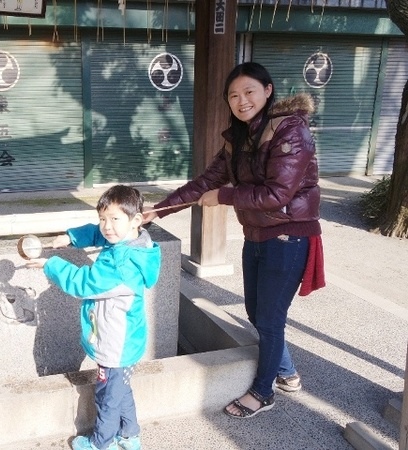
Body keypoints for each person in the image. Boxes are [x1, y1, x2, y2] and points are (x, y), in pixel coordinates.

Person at [143, 62, 324, 419]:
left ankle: (263, 391)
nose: (241, 101)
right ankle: (286, 371)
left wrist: (224, 196)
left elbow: (277, 194)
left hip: (288, 237)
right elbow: (204, 183)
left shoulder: (291, 131)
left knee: (270, 319)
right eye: (234, 96)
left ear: (268, 91)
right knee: (257, 312)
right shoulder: (239, 139)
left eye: (249, 92)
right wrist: (158, 211)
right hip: (256, 235)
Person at [26, 184, 161, 449]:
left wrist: (51, 264)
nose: (107, 226)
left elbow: (85, 282)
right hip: (127, 341)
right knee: (120, 390)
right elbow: (99, 236)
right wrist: (71, 237)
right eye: (102, 218)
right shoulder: (132, 243)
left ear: (136, 220)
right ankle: (130, 436)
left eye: (114, 219)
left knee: (106, 397)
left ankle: (102, 443)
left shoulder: (122, 265)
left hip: (115, 345)